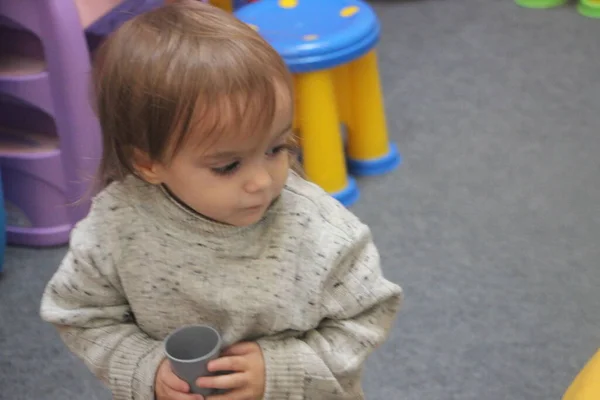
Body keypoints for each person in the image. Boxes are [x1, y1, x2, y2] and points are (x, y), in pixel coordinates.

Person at [39, 2, 402, 400]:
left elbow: (368, 314)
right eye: (228, 166)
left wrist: (281, 370)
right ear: (148, 162)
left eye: (277, 147)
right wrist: (147, 368)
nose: (263, 181)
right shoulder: (114, 227)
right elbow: (79, 315)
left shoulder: (319, 228)